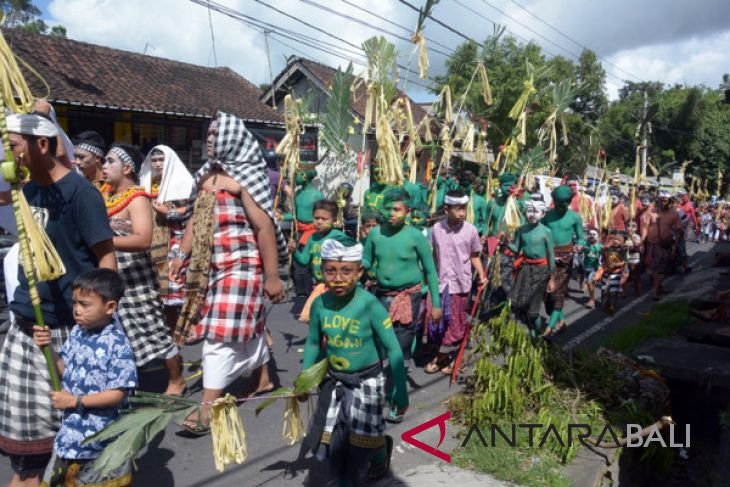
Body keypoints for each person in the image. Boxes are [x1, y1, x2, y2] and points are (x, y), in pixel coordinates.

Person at [0, 112, 116, 487]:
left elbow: (106, 261)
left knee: (76, 447)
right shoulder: (27, 190)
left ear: (42, 145)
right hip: (25, 329)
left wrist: (100, 328)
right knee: (28, 457)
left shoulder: (82, 195)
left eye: (13, 146)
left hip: (68, 331)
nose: (7, 153)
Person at [169, 111, 286, 435]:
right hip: (213, 268)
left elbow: (264, 228)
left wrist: (272, 277)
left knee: (219, 337)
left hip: (244, 267)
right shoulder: (205, 176)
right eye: (208, 134)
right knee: (244, 328)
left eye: (214, 134)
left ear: (231, 138)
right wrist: (181, 254)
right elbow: (195, 221)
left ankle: (205, 409)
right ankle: (263, 379)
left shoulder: (247, 177)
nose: (208, 139)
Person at [303, 236, 408, 486]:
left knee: (365, 441)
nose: (338, 278)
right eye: (331, 271)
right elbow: (314, 343)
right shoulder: (319, 305)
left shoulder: (370, 305)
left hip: (366, 383)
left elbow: (393, 349)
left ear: (360, 271)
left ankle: (380, 451)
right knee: (336, 443)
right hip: (334, 382)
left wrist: (400, 390)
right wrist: (305, 376)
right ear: (321, 270)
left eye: (346, 271)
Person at [32, 269, 137, 487]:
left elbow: (118, 393)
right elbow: (64, 369)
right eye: (75, 303)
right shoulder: (77, 333)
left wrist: (74, 401)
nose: (77, 311)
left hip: (100, 442)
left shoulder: (117, 344)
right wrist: (47, 347)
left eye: (85, 304)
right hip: (70, 437)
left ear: (110, 307)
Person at [102, 143, 185, 396]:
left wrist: (104, 240)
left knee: (153, 329)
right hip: (114, 272)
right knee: (120, 331)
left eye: (110, 161)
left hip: (135, 277)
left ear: (127, 168)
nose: (104, 167)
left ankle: (176, 379)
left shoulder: (137, 198)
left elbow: (143, 240)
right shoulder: (107, 194)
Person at [362, 188, 441, 421]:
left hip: (408, 298)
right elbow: (367, 260)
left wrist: (435, 303)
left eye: (396, 209)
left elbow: (430, 271)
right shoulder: (375, 234)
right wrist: (357, 262)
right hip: (381, 296)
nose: (391, 213)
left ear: (407, 211)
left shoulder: (416, 236)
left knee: (399, 348)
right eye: (387, 209)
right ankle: (381, 389)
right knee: (381, 346)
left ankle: (398, 396)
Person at [426, 190, 485, 373]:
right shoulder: (436, 229)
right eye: (458, 209)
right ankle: (445, 353)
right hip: (441, 283)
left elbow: (475, 255)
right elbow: (433, 255)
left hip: (460, 284)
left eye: (464, 209)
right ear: (446, 209)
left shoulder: (471, 231)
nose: (462, 213)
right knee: (438, 321)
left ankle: (449, 356)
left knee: (455, 321)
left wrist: (482, 276)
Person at [139, 145, 195, 335]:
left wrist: (168, 212)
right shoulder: (147, 182)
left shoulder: (183, 181)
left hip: (177, 239)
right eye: (153, 160)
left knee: (176, 283)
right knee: (162, 288)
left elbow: (193, 213)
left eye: (161, 160)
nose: (157, 164)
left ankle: (189, 326)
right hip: (154, 240)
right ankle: (172, 327)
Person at [290, 199, 348, 322]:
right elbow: (304, 261)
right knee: (315, 319)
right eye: (316, 218)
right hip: (319, 285)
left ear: (334, 220)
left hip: (336, 286)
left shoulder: (339, 237)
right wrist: (294, 251)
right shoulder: (312, 238)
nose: (319, 222)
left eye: (324, 219)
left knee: (334, 319)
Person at [279, 166, 324, 315]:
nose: (294, 177)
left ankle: (313, 298)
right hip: (299, 233)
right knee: (298, 267)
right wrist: (282, 217)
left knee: (311, 266)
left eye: (297, 174)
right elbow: (295, 215)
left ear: (305, 176)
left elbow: (323, 214)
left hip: (314, 234)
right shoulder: (297, 194)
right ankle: (302, 297)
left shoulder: (317, 195)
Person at [542, 184, 585, 334]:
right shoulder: (547, 216)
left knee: (558, 293)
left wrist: (580, 245)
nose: (563, 206)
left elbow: (581, 238)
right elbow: (539, 231)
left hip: (565, 261)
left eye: (566, 203)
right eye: (560, 203)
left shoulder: (574, 217)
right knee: (547, 296)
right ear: (554, 201)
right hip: (547, 259)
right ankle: (561, 320)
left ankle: (549, 328)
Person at [509, 198, 554, 337]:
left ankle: (539, 332)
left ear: (543, 214)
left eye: (536, 211)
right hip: (526, 269)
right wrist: (504, 242)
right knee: (519, 305)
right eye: (529, 211)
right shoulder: (522, 230)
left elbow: (551, 255)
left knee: (533, 311)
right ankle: (532, 329)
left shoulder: (546, 231)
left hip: (541, 271)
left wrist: (552, 279)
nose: (532, 214)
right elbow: (516, 249)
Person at [641, 191, 681, 300]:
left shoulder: (674, 214)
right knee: (651, 269)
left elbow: (678, 231)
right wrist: (641, 242)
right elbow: (645, 227)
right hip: (651, 245)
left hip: (663, 246)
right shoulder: (652, 211)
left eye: (665, 200)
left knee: (659, 269)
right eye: (661, 199)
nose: (663, 202)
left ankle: (655, 291)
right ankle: (659, 287)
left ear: (670, 201)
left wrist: (674, 248)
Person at [600, 233, 626, 315]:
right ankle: (604, 303)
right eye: (615, 239)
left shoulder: (622, 250)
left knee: (613, 291)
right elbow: (603, 251)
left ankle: (612, 306)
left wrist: (615, 265)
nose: (616, 241)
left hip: (616, 273)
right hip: (606, 271)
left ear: (621, 242)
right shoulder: (609, 248)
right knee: (604, 289)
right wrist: (608, 241)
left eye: (618, 240)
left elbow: (623, 262)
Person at [582, 229, 603, 309]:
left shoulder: (600, 246)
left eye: (594, 234)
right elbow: (579, 249)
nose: (591, 236)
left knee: (590, 283)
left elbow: (605, 254)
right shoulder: (585, 243)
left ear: (597, 236)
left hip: (594, 268)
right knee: (589, 284)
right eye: (590, 234)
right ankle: (592, 298)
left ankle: (592, 301)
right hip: (586, 268)